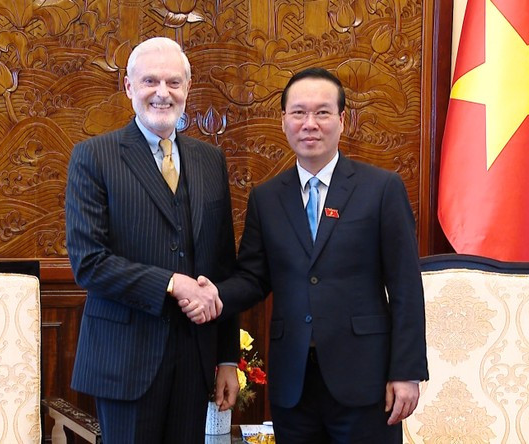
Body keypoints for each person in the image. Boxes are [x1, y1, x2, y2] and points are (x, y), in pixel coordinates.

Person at [183, 67, 428, 443]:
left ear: (343, 120)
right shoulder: (266, 198)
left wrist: (407, 372)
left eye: (322, 112)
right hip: (293, 382)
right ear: (283, 122)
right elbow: (253, 277)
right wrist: (214, 296)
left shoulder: (381, 189)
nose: (309, 123)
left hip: (365, 379)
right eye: (298, 112)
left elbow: (406, 286)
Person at [65, 37, 239, 443]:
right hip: (125, 360)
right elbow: (89, 263)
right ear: (129, 87)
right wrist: (170, 282)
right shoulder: (93, 157)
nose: (163, 93)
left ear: (187, 88)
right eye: (150, 81)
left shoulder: (209, 160)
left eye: (174, 82)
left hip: (195, 360)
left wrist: (227, 358)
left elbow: (221, 265)